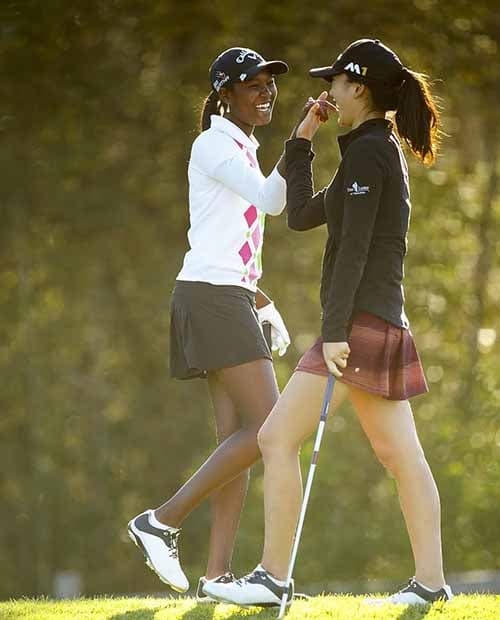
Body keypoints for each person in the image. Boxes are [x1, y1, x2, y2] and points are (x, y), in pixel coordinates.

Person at [203, 39, 454, 607]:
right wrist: (300, 142)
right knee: (401, 457)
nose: (328, 91)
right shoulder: (366, 149)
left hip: (359, 325)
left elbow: (357, 252)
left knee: (275, 436)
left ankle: (272, 576)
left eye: (336, 82)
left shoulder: (370, 153)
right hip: (375, 322)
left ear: (357, 88)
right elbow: (301, 216)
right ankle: (431, 583)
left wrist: (335, 331)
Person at [127, 47, 293, 602]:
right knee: (272, 429)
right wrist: (303, 140)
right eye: (253, 85)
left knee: (237, 442)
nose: (265, 91)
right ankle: (161, 521)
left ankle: (217, 578)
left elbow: (231, 244)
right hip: (211, 300)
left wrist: (263, 303)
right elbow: (272, 202)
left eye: (269, 83)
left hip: (226, 296)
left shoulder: (242, 145)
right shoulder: (214, 143)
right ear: (226, 93)